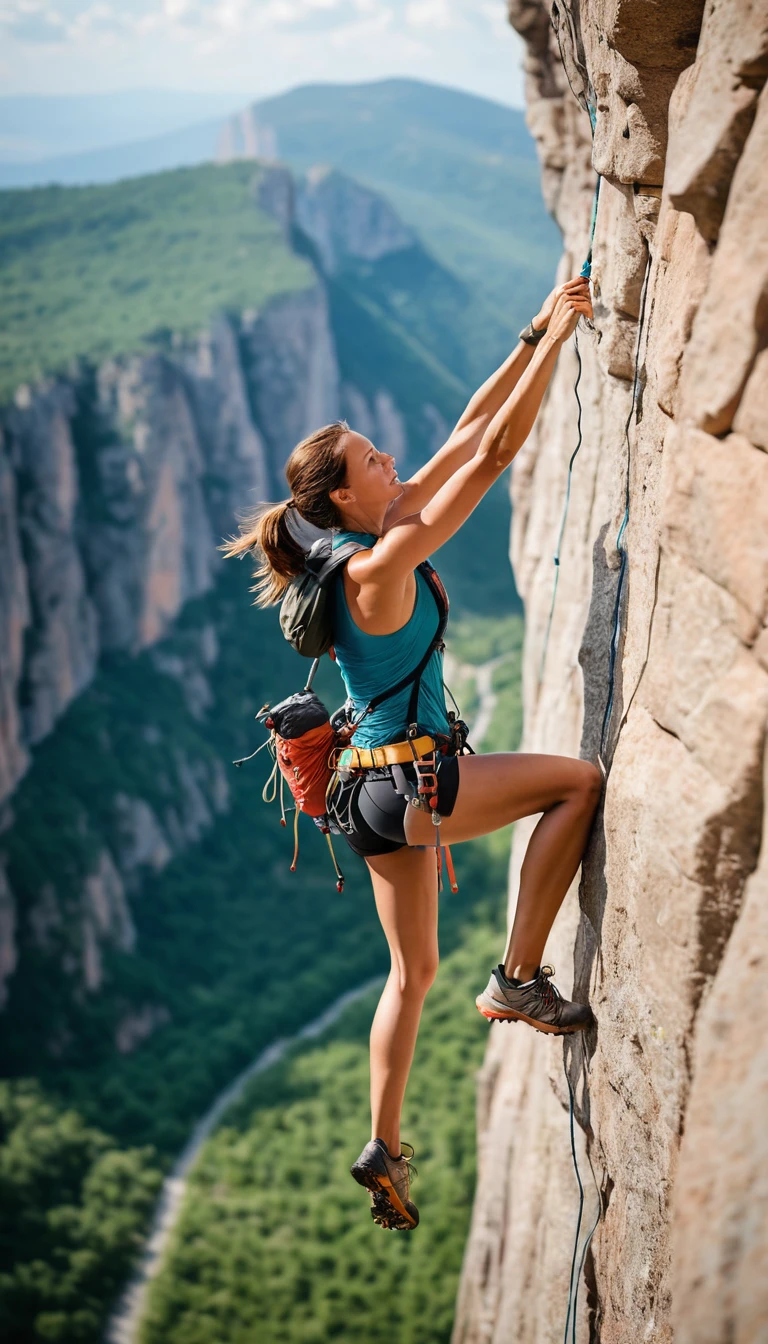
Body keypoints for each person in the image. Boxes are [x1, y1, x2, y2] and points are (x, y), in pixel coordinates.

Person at [224, 276, 601, 1233]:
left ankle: (382, 1145)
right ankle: (518, 975)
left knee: (410, 975)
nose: (392, 457)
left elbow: (472, 425)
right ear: (345, 496)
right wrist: (561, 338)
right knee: (578, 783)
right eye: (371, 457)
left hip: (364, 795)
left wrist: (530, 328)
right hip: (414, 782)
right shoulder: (378, 567)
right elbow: (501, 452)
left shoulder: (367, 537)